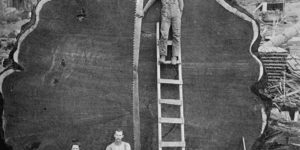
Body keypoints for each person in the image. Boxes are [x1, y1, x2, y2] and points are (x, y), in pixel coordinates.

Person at [137, 0, 184, 65]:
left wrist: (180, 14)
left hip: (176, 14)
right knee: (164, 34)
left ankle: (174, 56)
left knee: (176, 35)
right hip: (165, 14)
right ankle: (163, 55)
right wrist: (143, 11)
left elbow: (181, 2)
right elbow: (151, 1)